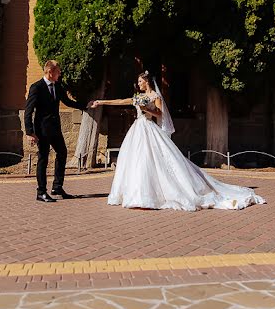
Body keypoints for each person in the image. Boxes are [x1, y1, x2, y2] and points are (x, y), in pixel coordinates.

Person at [91, 71, 265, 211]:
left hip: (150, 128)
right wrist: (101, 102)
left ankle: (149, 195)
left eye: (140, 82)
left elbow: (160, 114)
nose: (138, 84)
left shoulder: (154, 97)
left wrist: (146, 109)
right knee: (135, 161)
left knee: (151, 160)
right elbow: (121, 101)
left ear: (147, 82)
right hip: (137, 130)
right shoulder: (138, 96)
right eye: (138, 82)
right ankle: (134, 195)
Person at [24, 60, 88, 202]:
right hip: (41, 130)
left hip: (55, 129)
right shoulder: (37, 87)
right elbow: (28, 111)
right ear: (50, 72)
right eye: (58, 72)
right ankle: (41, 192)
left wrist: (86, 105)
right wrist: (30, 132)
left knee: (62, 153)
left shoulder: (57, 86)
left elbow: (68, 102)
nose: (60, 74)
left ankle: (57, 187)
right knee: (43, 158)